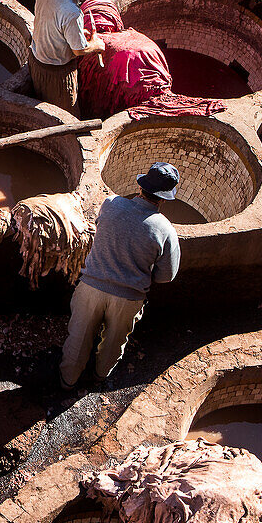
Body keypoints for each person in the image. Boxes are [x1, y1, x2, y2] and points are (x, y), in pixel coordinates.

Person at [59, 162, 181, 390]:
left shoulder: (110, 204)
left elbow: (100, 228)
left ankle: (68, 381)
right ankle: (99, 377)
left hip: (90, 288)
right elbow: (167, 275)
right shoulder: (165, 229)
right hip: (128, 298)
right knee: (113, 343)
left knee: (78, 338)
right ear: (164, 199)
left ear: (140, 187)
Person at [29, 0, 114, 113]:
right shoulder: (72, 13)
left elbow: (51, 19)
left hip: (36, 58)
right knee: (65, 115)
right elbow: (78, 50)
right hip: (56, 73)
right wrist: (96, 45)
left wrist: (78, 32)